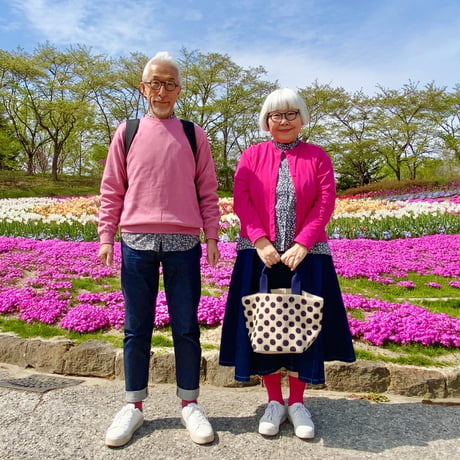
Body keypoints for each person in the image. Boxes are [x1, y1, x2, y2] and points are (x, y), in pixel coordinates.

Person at [98, 51, 220, 447]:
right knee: (137, 328)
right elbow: (112, 188)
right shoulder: (127, 131)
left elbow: (208, 191)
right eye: (155, 83)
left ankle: (189, 403)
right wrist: (106, 236)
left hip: (184, 244)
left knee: (186, 327)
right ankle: (133, 405)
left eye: (170, 83)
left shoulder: (192, 134)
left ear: (179, 90)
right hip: (137, 243)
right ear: (143, 87)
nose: (162, 90)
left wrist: (213, 236)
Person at [219, 88, 355, 439]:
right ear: (266, 121)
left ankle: (297, 402)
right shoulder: (251, 155)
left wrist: (303, 243)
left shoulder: (318, 157)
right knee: (263, 323)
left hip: (306, 255)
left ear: (302, 118)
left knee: (301, 324)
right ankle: (273, 402)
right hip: (259, 254)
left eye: (291, 114)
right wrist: (260, 239)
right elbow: (241, 199)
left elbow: (325, 203)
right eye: (276, 115)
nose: (283, 121)